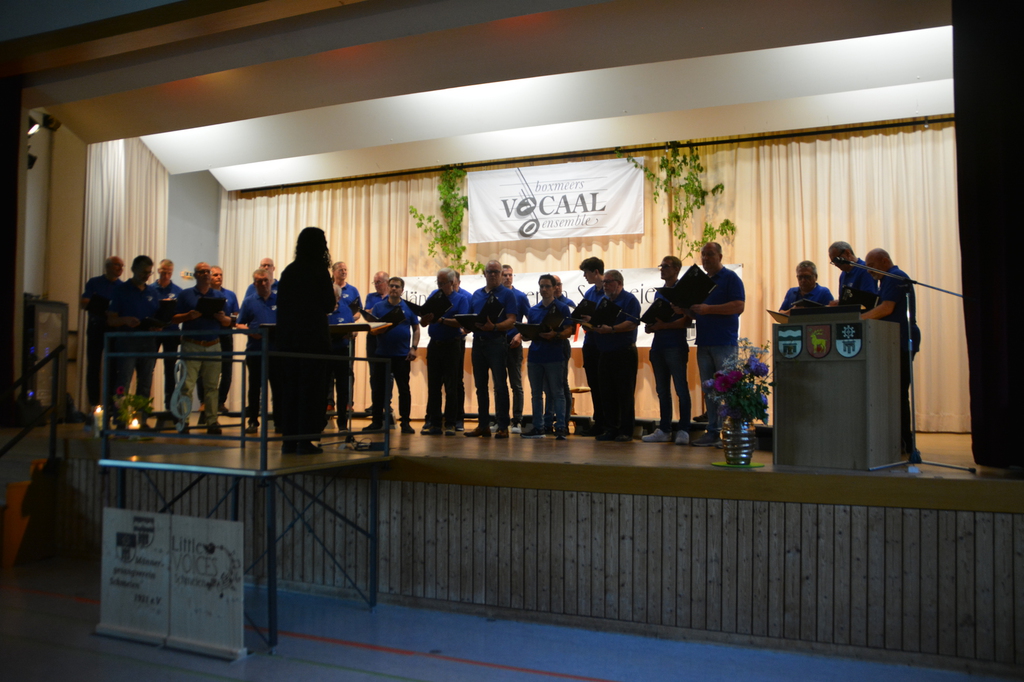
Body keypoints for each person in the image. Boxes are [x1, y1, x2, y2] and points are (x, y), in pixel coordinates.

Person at [274, 228, 336, 454]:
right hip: (313, 339)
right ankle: (306, 440)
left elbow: (281, 306)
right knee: (312, 391)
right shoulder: (319, 270)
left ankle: (288, 440)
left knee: (290, 390)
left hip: (289, 340)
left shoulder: (289, 271)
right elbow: (329, 305)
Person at [861, 248, 921, 457]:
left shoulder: (895, 277)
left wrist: (859, 319)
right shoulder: (887, 279)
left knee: (899, 394)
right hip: (892, 342)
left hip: (901, 341)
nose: (869, 271)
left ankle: (907, 443)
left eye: (872, 266)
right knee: (895, 394)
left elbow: (886, 308)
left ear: (885, 261)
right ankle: (898, 441)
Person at [688, 242, 745, 447]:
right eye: (703, 254)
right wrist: (684, 309)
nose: (705, 258)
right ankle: (712, 431)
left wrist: (708, 309)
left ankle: (732, 433)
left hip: (724, 342)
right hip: (704, 342)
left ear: (720, 257)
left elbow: (739, 306)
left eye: (710, 254)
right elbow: (696, 312)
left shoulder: (730, 278)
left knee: (728, 389)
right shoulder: (701, 282)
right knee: (710, 390)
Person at [169, 262, 232, 434]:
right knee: (186, 386)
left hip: (213, 345)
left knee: (212, 386)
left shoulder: (218, 296)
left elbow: (228, 321)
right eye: (202, 272)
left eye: (208, 272)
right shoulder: (185, 294)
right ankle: (184, 421)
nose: (205, 274)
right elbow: (173, 318)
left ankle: (212, 421)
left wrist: (222, 318)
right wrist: (188, 316)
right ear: (195, 275)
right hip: (192, 344)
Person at [642, 256, 692, 445]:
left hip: (675, 346)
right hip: (658, 346)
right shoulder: (660, 293)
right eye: (661, 266)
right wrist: (651, 325)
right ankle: (664, 429)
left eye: (666, 266)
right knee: (662, 390)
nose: (662, 269)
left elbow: (687, 320)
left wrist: (663, 326)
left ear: (677, 269)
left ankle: (684, 429)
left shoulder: (683, 291)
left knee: (681, 389)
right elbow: (658, 317)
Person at [464, 260, 517, 439]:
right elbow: (471, 317)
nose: (493, 275)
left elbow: (512, 320)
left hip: (497, 342)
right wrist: (467, 326)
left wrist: (494, 327)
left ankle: (503, 426)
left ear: (501, 274)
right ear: (484, 274)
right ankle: (483, 425)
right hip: (478, 343)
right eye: (490, 271)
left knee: (500, 386)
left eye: (496, 272)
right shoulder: (477, 294)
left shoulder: (507, 294)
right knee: (480, 386)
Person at [106, 255, 159, 424]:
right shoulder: (121, 290)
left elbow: (157, 316)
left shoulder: (153, 292)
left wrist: (157, 325)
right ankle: (120, 419)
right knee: (123, 381)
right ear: (134, 269)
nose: (146, 276)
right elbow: (111, 319)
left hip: (148, 342)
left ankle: (141, 420)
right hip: (127, 341)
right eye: (144, 272)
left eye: (149, 273)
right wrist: (125, 320)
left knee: (145, 383)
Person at [589, 269, 640, 442]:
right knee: (607, 393)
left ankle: (626, 430)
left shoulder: (629, 299)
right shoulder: (603, 301)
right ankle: (610, 428)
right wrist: (590, 322)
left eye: (608, 282)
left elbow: (632, 323)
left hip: (623, 352)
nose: (605, 285)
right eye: (604, 282)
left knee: (624, 393)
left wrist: (611, 329)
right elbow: (598, 321)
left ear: (619, 283)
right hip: (604, 352)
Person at [521, 274, 573, 440]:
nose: (544, 289)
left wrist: (555, 335)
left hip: (554, 355)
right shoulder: (533, 310)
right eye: (541, 286)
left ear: (554, 288)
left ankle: (561, 427)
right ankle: (538, 426)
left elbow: (569, 330)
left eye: (547, 286)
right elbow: (530, 331)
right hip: (535, 356)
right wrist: (525, 334)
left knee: (557, 392)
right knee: (536, 394)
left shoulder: (562, 308)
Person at [420, 268, 470, 436]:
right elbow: (423, 322)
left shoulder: (461, 299)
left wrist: (441, 320)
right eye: (438, 283)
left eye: (442, 283)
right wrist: (425, 320)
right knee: (434, 386)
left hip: (452, 346)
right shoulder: (434, 295)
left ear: (451, 282)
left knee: (451, 386)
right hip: (435, 345)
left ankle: (450, 423)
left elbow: (461, 322)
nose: (440, 286)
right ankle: (435, 423)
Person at [368, 277, 420, 433]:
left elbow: (416, 328)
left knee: (403, 389)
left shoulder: (408, 307)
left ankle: (405, 423)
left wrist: (414, 348)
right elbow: (372, 329)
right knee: (378, 390)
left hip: (402, 355)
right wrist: (378, 330)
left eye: (397, 286)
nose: (394, 289)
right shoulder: (378, 307)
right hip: (382, 354)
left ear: (402, 290)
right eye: (391, 286)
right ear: (388, 288)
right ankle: (376, 422)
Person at [236, 268, 278, 434]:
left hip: (275, 351)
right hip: (255, 351)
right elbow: (239, 323)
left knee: (278, 388)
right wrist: (251, 332)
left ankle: (279, 422)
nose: (263, 284)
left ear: (271, 281)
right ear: (254, 284)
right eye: (259, 281)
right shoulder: (249, 301)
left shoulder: (279, 300)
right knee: (254, 389)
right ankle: (253, 421)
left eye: (265, 280)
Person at [80, 256, 124, 407]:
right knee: (93, 366)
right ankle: (94, 404)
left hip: (114, 329)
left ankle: (111, 406)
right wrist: (104, 307)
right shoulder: (94, 282)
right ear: (108, 266)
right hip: (96, 327)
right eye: (117, 265)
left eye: (122, 266)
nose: (120, 268)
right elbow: (84, 302)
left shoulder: (122, 287)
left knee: (113, 367)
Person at [197, 265, 239, 417]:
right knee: (204, 369)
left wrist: (226, 319)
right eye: (215, 275)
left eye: (220, 275)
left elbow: (236, 317)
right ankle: (204, 401)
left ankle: (220, 402)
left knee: (226, 370)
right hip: (209, 335)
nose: (219, 277)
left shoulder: (230, 295)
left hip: (226, 335)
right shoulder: (205, 294)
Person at [152, 259, 182, 426]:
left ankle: (170, 407)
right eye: (163, 272)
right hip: (154, 333)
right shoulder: (150, 289)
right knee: (148, 368)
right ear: (158, 271)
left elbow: (182, 312)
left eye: (169, 272)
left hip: (171, 333)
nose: (166, 275)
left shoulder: (177, 291)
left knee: (170, 370)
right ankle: (143, 408)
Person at [501, 264, 531, 433]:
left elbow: (531, 319)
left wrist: (520, 335)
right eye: (505, 275)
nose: (508, 277)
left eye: (510, 275)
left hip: (514, 344)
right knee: (499, 385)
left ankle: (517, 420)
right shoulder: (496, 296)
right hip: (497, 344)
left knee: (516, 384)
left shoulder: (520, 296)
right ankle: (501, 419)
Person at [578, 257, 606, 436]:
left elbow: (609, 316)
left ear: (596, 272)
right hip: (590, 343)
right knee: (594, 385)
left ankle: (609, 423)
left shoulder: (608, 291)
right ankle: (599, 422)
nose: (584, 276)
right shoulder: (589, 293)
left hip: (604, 344)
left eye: (586, 272)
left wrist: (593, 320)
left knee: (606, 385)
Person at [362, 271, 391, 429]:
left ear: (387, 282)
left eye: (379, 282)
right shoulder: (370, 297)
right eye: (375, 282)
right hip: (373, 337)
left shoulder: (392, 297)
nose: (376, 285)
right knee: (374, 373)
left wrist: (375, 311)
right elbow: (367, 314)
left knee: (389, 374)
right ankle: (376, 404)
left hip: (387, 337)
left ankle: (388, 403)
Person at [326, 283, 356, 430]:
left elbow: (353, 329)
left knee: (343, 389)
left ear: (338, 297)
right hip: (325, 353)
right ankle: (320, 422)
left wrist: (351, 333)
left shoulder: (345, 309)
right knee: (323, 388)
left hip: (342, 352)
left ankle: (342, 423)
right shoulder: (321, 311)